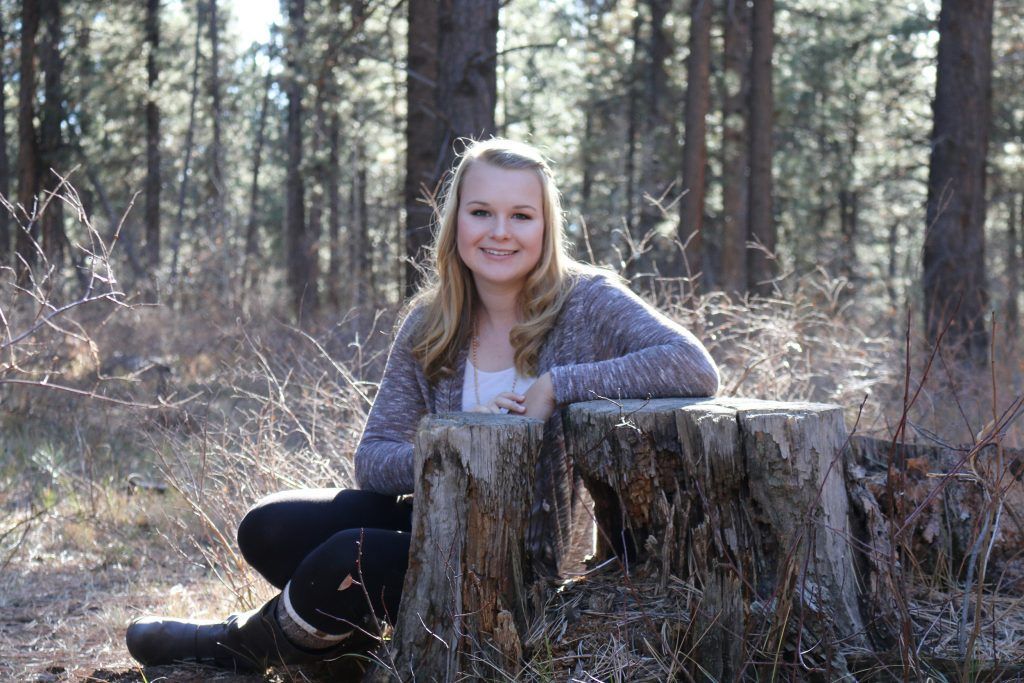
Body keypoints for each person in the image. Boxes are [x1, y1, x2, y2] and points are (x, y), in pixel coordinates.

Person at [125, 138, 720, 672]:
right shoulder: (431, 324)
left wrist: (556, 385)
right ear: (456, 221)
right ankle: (344, 655)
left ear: (546, 227)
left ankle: (241, 645)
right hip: (437, 521)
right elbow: (374, 458)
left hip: (522, 562)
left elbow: (694, 366)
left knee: (347, 555)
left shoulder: (587, 302)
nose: (499, 232)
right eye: (481, 212)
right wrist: (457, 445)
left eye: (521, 215)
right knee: (268, 526)